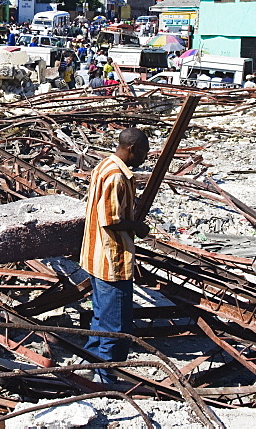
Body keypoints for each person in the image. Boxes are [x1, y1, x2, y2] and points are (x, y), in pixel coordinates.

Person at [81, 127, 151, 383]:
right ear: (131, 149)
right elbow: (110, 220)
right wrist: (138, 227)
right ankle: (105, 377)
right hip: (112, 259)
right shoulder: (116, 177)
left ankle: (89, 363)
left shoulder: (105, 165)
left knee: (101, 316)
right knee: (116, 325)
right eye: (143, 154)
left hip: (97, 255)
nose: (144, 159)